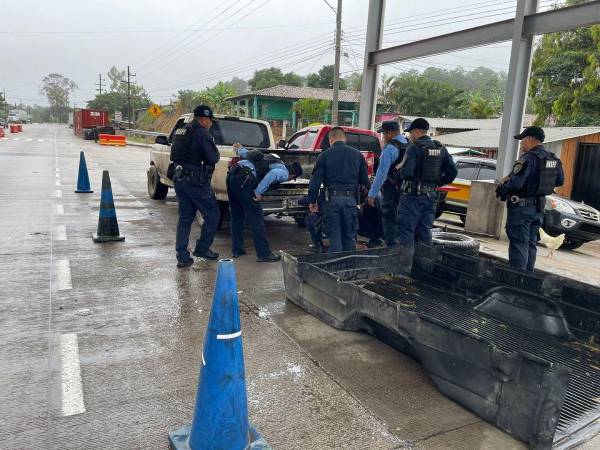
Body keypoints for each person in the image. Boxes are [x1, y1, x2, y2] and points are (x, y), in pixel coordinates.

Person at [497, 126, 564, 271]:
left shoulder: (528, 158)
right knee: (530, 243)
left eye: (523, 140)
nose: (521, 144)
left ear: (531, 139)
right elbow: (559, 181)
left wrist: (505, 182)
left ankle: (517, 280)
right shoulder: (552, 158)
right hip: (538, 208)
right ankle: (527, 279)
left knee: (519, 244)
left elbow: (516, 183)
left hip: (521, 208)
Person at [227, 146, 303, 262]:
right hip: (245, 179)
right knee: (256, 218)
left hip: (232, 174)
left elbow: (248, 153)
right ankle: (264, 254)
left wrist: (239, 149)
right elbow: (272, 175)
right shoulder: (283, 172)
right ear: (292, 176)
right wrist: (258, 192)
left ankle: (237, 249)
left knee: (237, 215)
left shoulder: (273, 160)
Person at [171, 105, 221, 268]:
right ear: (205, 120)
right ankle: (202, 248)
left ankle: (182, 256)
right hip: (196, 182)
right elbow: (213, 158)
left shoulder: (181, 130)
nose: (211, 124)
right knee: (213, 214)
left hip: (179, 179)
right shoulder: (202, 134)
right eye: (210, 121)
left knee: (185, 218)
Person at [396, 118, 457, 245]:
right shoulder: (440, 148)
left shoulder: (414, 148)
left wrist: (399, 169)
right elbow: (453, 172)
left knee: (406, 232)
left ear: (417, 132)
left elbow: (406, 173)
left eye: (410, 132)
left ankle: (404, 264)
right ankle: (423, 264)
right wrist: (438, 183)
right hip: (431, 196)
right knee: (425, 232)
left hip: (412, 198)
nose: (410, 136)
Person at [307, 127, 369, 253]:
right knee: (350, 237)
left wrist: (312, 201)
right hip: (351, 201)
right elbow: (365, 181)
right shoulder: (357, 155)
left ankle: (336, 268)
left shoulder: (324, 156)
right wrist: (362, 200)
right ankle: (350, 268)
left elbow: (315, 182)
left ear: (331, 140)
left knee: (334, 237)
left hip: (332, 201)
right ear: (344, 139)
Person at [367, 120, 409, 246]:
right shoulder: (409, 144)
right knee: (403, 224)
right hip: (407, 191)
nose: (383, 137)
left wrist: (372, 194)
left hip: (391, 191)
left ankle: (391, 251)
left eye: (384, 134)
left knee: (389, 221)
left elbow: (381, 174)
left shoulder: (390, 148)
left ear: (390, 133)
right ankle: (403, 252)